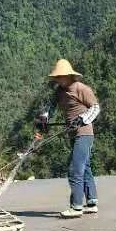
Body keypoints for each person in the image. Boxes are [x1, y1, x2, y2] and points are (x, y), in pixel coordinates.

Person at [36, 59, 99, 218]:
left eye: (60, 76)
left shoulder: (81, 88)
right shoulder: (59, 91)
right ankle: (91, 202)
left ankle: (76, 206)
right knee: (85, 167)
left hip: (84, 133)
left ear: (69, 75)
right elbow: (51, 106)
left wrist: (83, 119)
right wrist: (45, 118)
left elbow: (95, 108)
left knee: (74, 169)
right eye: (56, 77)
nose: (57, 79)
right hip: (72, 133)